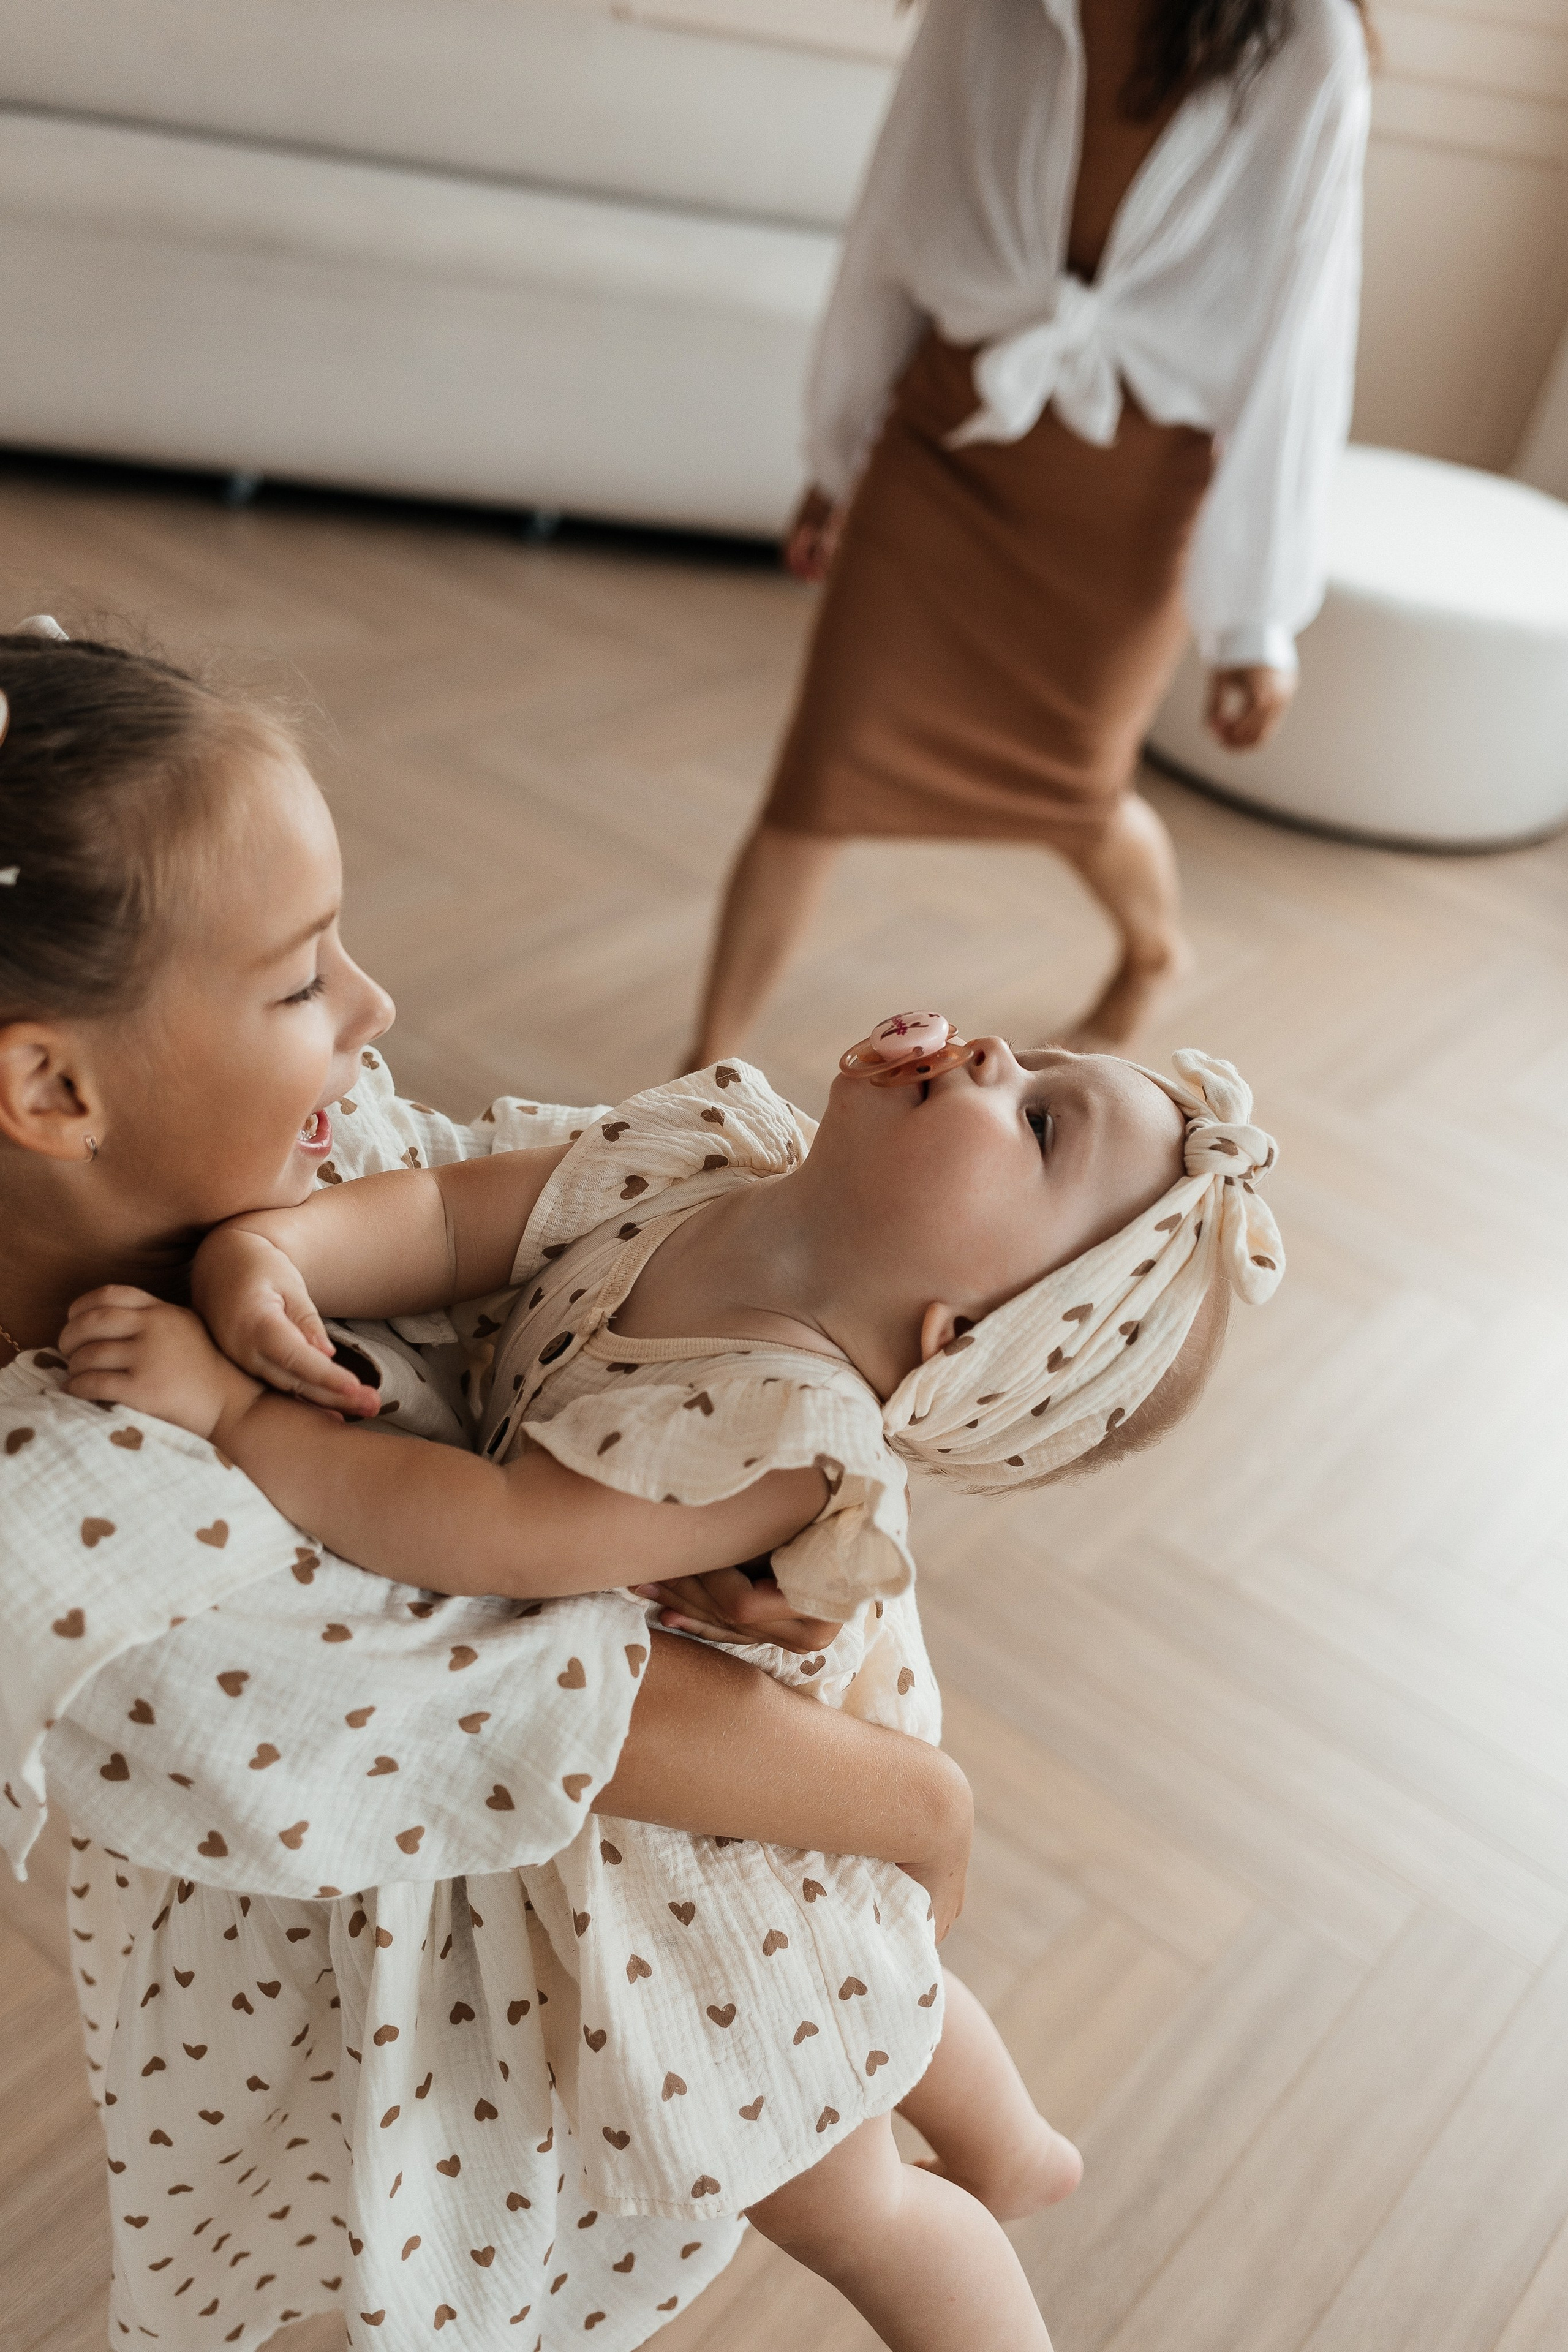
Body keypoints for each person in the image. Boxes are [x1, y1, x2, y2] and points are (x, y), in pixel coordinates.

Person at [0, 622, 972, 2352]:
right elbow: (565, 1703)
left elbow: (512, 1219)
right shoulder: (102, 1532)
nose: (371, 1012)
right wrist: (927, 1813)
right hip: (440, 1988)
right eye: (300, 983)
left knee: (855, 2157)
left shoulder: (284, 1155)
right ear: (52, 1086)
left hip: (596, 1883)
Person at [64, 991, 1284, 2345]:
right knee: (868, 1962)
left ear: (954, 1338)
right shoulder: (711, 1150)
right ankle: (1014, 2151)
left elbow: (493, 1536)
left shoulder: (781, 1434)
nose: (997, 1053)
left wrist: (235, 1411)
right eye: (1040, 1060)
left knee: (842, 2194)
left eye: (1040, 1121)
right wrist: (278, 1252)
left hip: (709, 1862)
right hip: (732, 1783)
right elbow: (454, 1220)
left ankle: (989, 2228)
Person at [683, 0, 1371, 1067]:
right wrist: (836, 452)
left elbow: (1302, 334)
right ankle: (697, 1078)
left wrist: (1254, 622)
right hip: (945, 447)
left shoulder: (1304, 39)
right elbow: (896, 210)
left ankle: (1153, 955)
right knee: (819, 777)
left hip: (1130, 501)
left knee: (1077, 790)